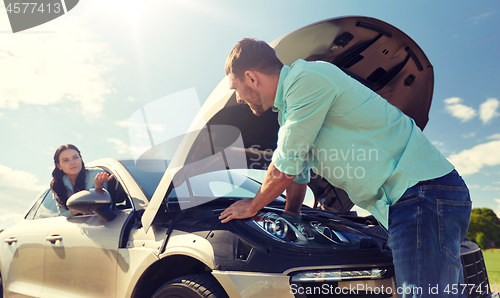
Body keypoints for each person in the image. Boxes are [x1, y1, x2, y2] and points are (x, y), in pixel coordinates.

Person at [218, 38, 472, 298]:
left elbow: (286, 163)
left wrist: (254, 204)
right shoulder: (289, 112)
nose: (237, 99)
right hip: (414, 198)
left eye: (235, 88)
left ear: (251, 77)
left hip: (422, 193)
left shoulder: (306, 78)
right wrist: (291, 215)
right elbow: (298, 174)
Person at [50, 144, 113, 217]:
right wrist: (76, 210)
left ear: (81, 159)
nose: (73, 162)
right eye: (66, 160)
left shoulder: (97, 174)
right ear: (59, 166)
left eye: (75, 157)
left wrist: (98, 187)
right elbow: (63, 213)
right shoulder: (58, 184)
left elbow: (106, 208)